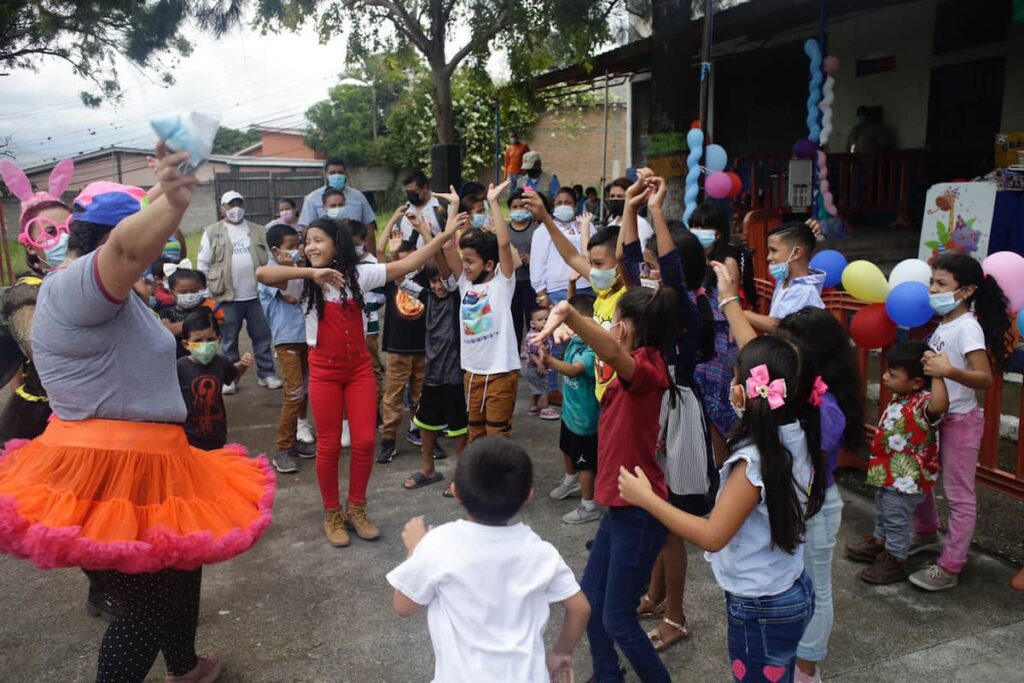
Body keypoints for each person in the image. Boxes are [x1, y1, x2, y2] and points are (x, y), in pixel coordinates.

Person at [0, 146, 274, 683]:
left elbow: (124, 228)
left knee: (180, 565)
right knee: (147, 606)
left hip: (150, 457)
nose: (154, 255)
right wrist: (174, 199)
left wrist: (163, 190)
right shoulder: (80, 286)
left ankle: (185, 666)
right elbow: (125, 244)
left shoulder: (99, 291)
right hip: (118, 468)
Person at [618, 335, 826, 683]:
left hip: (762, 606)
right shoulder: (798, 433)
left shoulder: (754, 462)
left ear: (744, 393)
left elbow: (713, 536)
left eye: (734, 378)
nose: (729, 385)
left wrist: (648, 499)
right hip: (791, 585)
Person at [256, 209, 461, 548]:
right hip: (323, 372)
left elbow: (407, 265)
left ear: (337, 244)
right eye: (308, 242)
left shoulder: (360, 275)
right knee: (329, 445)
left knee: (365, 440)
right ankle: (332, 513)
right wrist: (312, 272)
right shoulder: (302, 278)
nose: (311, 246)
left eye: (318, 241)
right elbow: (263, 273)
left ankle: (357, 509)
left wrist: (441, 237)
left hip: (358, 370)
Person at [539, 283, 680, 683]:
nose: (611, 326)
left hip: (638, 513)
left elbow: (612, 353)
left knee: (618, 618)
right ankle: (606, 675)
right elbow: (609, 354)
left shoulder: (647, 369)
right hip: (619, 509)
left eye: (615, 320)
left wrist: (570, 315)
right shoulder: (635, 362)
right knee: (591, 602)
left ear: (626, 329)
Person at [386, 438, 590, 683]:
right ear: (528, 496)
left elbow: (403, 606)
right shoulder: (540, 551)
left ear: (455, 491)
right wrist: (561, 652)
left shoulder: (439, 544)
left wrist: (415, 551)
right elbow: (580, 608)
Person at [621, 172, 719, 655]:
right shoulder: (651, 304)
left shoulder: (684, 307)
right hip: (655, 413)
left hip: (676, 419)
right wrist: (631, 209)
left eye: (658, 265)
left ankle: (677, 616)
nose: (650, 271)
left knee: (667, 523)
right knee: (651, 517)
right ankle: (657, 595)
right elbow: (626, 260)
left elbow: (674, 277)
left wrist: (656, 211)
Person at [909, 254, 1011, 591]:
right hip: (935, 416)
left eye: (941, 284)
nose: (932, 290)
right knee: (920, 480)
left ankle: (951, 565)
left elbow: (984, 379)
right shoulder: (946, 322)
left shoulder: (968, 326)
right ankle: (926, 533)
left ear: (965, 290)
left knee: (958, 494)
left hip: (960, 422)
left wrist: (947, 370)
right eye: (931, 283)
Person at [776, 307, 866, 682]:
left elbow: (809, 465)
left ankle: (807, 667)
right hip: (796, 503)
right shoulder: (800, 392)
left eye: (789, 347)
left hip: (815, 506)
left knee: (816, 587)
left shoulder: (825, 407)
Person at [846, 341, 949, 583]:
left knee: (896, 518)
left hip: (906, 481)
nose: (884, 377)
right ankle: (880, 542)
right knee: (883, 510)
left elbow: (940, 405)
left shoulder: (924, 402)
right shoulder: (902, 396)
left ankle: (895, 559)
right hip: (889, 475)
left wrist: (939, 375)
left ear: (916, 382)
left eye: (892, 374)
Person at [440, 181, 522, 445]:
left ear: (488, 265)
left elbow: (503, 243)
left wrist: (494, 203)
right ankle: (480, 484)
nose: (465, 267)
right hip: (472, 374)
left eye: (471, 262)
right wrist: (453, 208)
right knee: (474, 433)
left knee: (497, 435)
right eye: (464, 261)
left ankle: (501, 484)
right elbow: (448, 248)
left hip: (500, 373)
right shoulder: (464, 285)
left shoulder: (502, 283)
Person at [196, 190, 281, 394]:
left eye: (239, 204)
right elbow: (202, 264)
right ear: (222, 208)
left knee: (262, 336)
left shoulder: (259, 231)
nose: (236, 209)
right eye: (230, 205)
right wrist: (205, 293)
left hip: (257, 295)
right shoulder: (211, 232)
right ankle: (230, 378)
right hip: (226, 296)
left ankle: (267, 373)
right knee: (228, 340)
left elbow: (271, 259)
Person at [403, 254, 470, 492]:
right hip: (432, 374)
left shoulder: (457, 297)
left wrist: (430, 236)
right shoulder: (427, 297)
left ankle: (460, 479)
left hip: (455, 375)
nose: (438, 286)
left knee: (460, 428)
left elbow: (449, 276)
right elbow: (399, 278)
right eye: (433, 281)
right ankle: (428, 468)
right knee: (426, 423)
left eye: (441, 280)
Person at [259, 223, 317, 474]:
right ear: (275, 250)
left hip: (305, 337)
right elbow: (287, 289)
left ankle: (293, 442)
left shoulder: (297, 268)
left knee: (303, 391)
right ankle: (281, 449)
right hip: (287, 341)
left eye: (298, 245)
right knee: (293, 394)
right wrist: (293, 265)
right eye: (290, 247)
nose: (297, 251)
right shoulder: (272, 272)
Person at [375, 229, 435, 464]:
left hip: (422, 347)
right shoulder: (392, 277)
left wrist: (424, 230)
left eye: (410, 255)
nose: (405, 260)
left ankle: (422, 433)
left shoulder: (427, 279)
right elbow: (379, 252)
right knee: (393, 396)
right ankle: (388, 440)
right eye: (400, 256)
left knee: (421, 394)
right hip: (397, 348)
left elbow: (436, 256)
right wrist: (391, 228)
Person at [691, 202, 744, 463]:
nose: (698, 231)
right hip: (698, 338)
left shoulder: (727, 261)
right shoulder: (692, 258)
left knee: (719, 409)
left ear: (719, 232)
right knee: (700, 407)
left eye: (704, 226)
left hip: (722, 341)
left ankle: (722, 466)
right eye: (695, 225)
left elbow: (731, 302)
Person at [540, 294, 600, 525]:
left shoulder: (592, 349)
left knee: (585, 463)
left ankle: (588, 505)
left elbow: (575, 370)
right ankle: (570, 480)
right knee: (566, 448)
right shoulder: (576, 340)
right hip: (570, 413)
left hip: (586, 420)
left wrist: (550, 362)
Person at [177, 309, 254, 450]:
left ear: (218, 339)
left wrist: (243, 365)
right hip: (188, 438)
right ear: (186, 344)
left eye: (210, 340)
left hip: (217, 436)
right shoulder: (179, 367)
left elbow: (233, 374)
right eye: (198, 341)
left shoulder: (221, 362)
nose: (204, 345)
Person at [745, 222, 825, 333]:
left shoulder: (803, 291)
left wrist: (744, 314)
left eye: (774, 251)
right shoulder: (784, 279)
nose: (768, 257)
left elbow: (778, 326)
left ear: (796, 253)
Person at [530, 187, 590, 311]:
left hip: (587, 285)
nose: (563, 206)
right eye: (559, 203)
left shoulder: (586, 224)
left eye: (568, 203)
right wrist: (541, 293)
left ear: (575, 205)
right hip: (558, 289)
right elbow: (537, 262)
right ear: (554, 205)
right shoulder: (544, 229)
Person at [298, 157, 378, 251]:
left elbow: (369, 227)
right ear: (325, 174)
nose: (337, 176)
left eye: (340, 172)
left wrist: (372, 255)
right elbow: (306, 230)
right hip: (326, 251)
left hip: (355, 249)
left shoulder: (358, 196)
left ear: (345, 173)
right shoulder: (312, 199)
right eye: (332, 173)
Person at [159, 267, 223, 359]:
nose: (189, 295)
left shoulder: (205, 310)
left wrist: (179, 328)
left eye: (193, 291)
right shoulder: (166, 312)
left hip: (202, 358)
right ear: (172, 294)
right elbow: (167, 331)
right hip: (176, 360)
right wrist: (194, 323)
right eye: (183, 292)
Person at [506, 189, 540, 349]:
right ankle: (514, 351)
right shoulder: (504, 229)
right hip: (511, 281)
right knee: (513, 319)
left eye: (522, 206)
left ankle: (533, 350)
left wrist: (531, 258)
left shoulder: (537, 229)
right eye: (515, 206)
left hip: (530, 281)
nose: (519, 209)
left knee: (532, 317)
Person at [524, 307, 559, 419]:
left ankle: (533, 407)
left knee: (537, 388)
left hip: (534, 368)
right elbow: (532, 352)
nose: (544, 321)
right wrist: (540, 364)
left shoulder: (543, 333)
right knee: (545, 388)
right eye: (540, 320)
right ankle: (545, 409)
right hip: (536, 367)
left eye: (546, 319)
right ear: (532, 324)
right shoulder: (535, 336)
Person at [399, 169, 448, 247]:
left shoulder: (442, 206)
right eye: (407, 193)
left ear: (424, 188)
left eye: (413, 192)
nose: (410, 195)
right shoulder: (402, 211)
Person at [606, 177, 653, 245]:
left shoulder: (640, 224)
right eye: (612, 196)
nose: (615, 199)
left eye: (619, 196)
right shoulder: (611, 225)